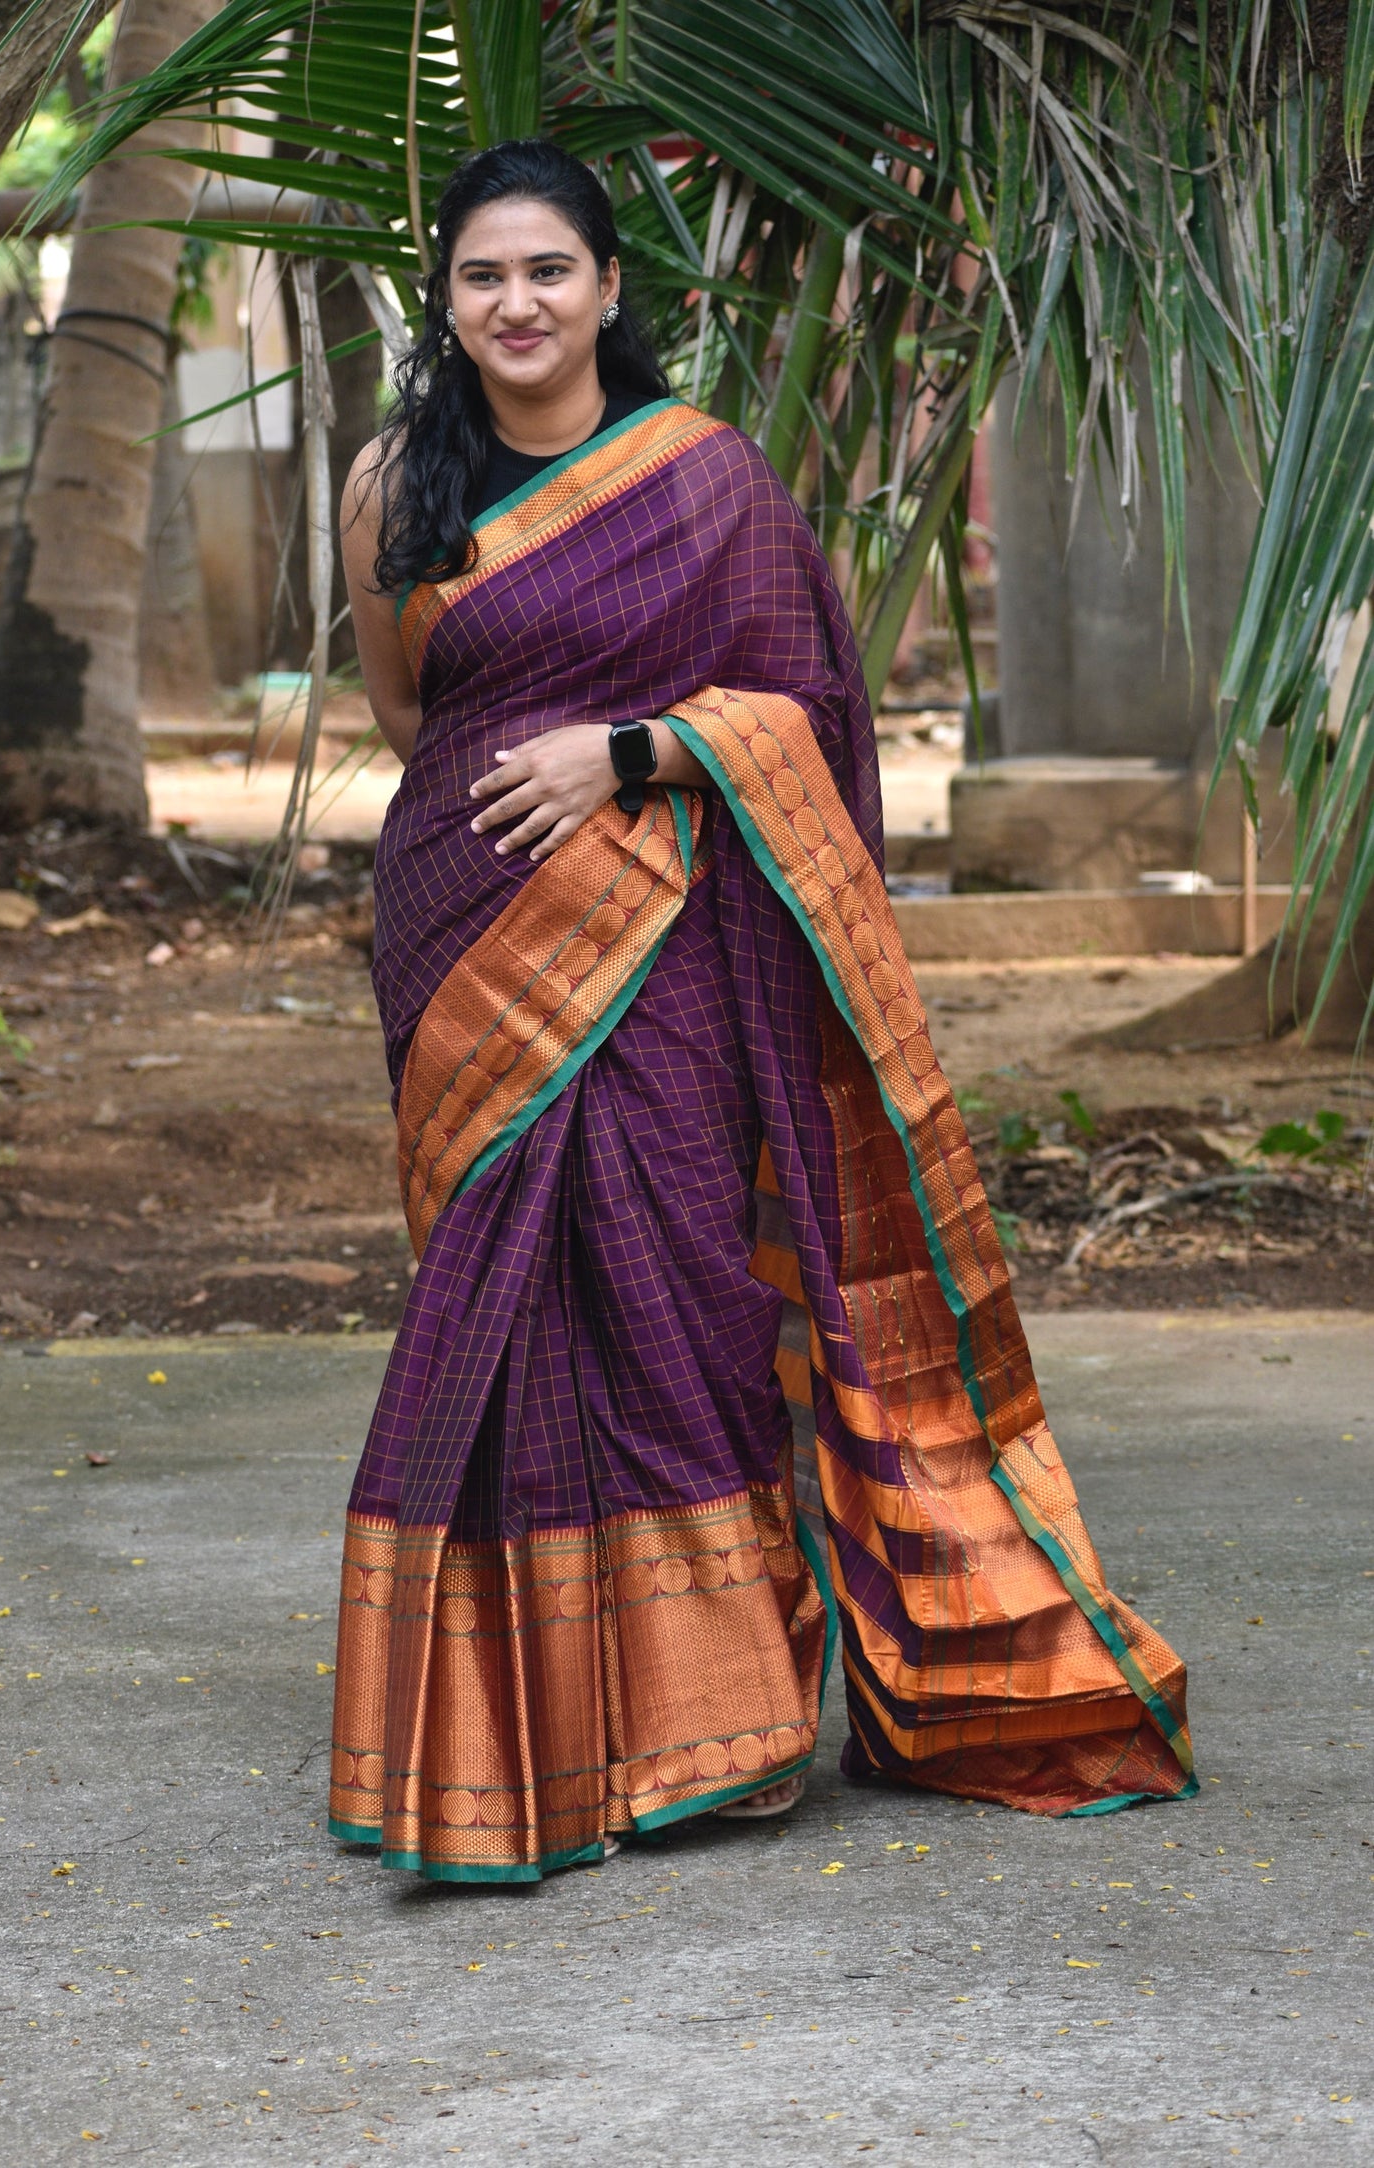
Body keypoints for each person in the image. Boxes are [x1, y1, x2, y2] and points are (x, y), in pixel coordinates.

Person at [330, 138, 1194, 1884]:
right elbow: (404, 704)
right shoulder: (386, 483)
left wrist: (635, 753)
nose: (517, 304)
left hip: (665, 945)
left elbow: (803, 706)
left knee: (675, 1303)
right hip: (466, 943)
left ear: (608, 289)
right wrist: (521, 838)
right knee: (497, 1319)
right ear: (447, 294)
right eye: (484, 275)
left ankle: (703, 1730)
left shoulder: (705, 479)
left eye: (549, 272)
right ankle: (524, 1728)